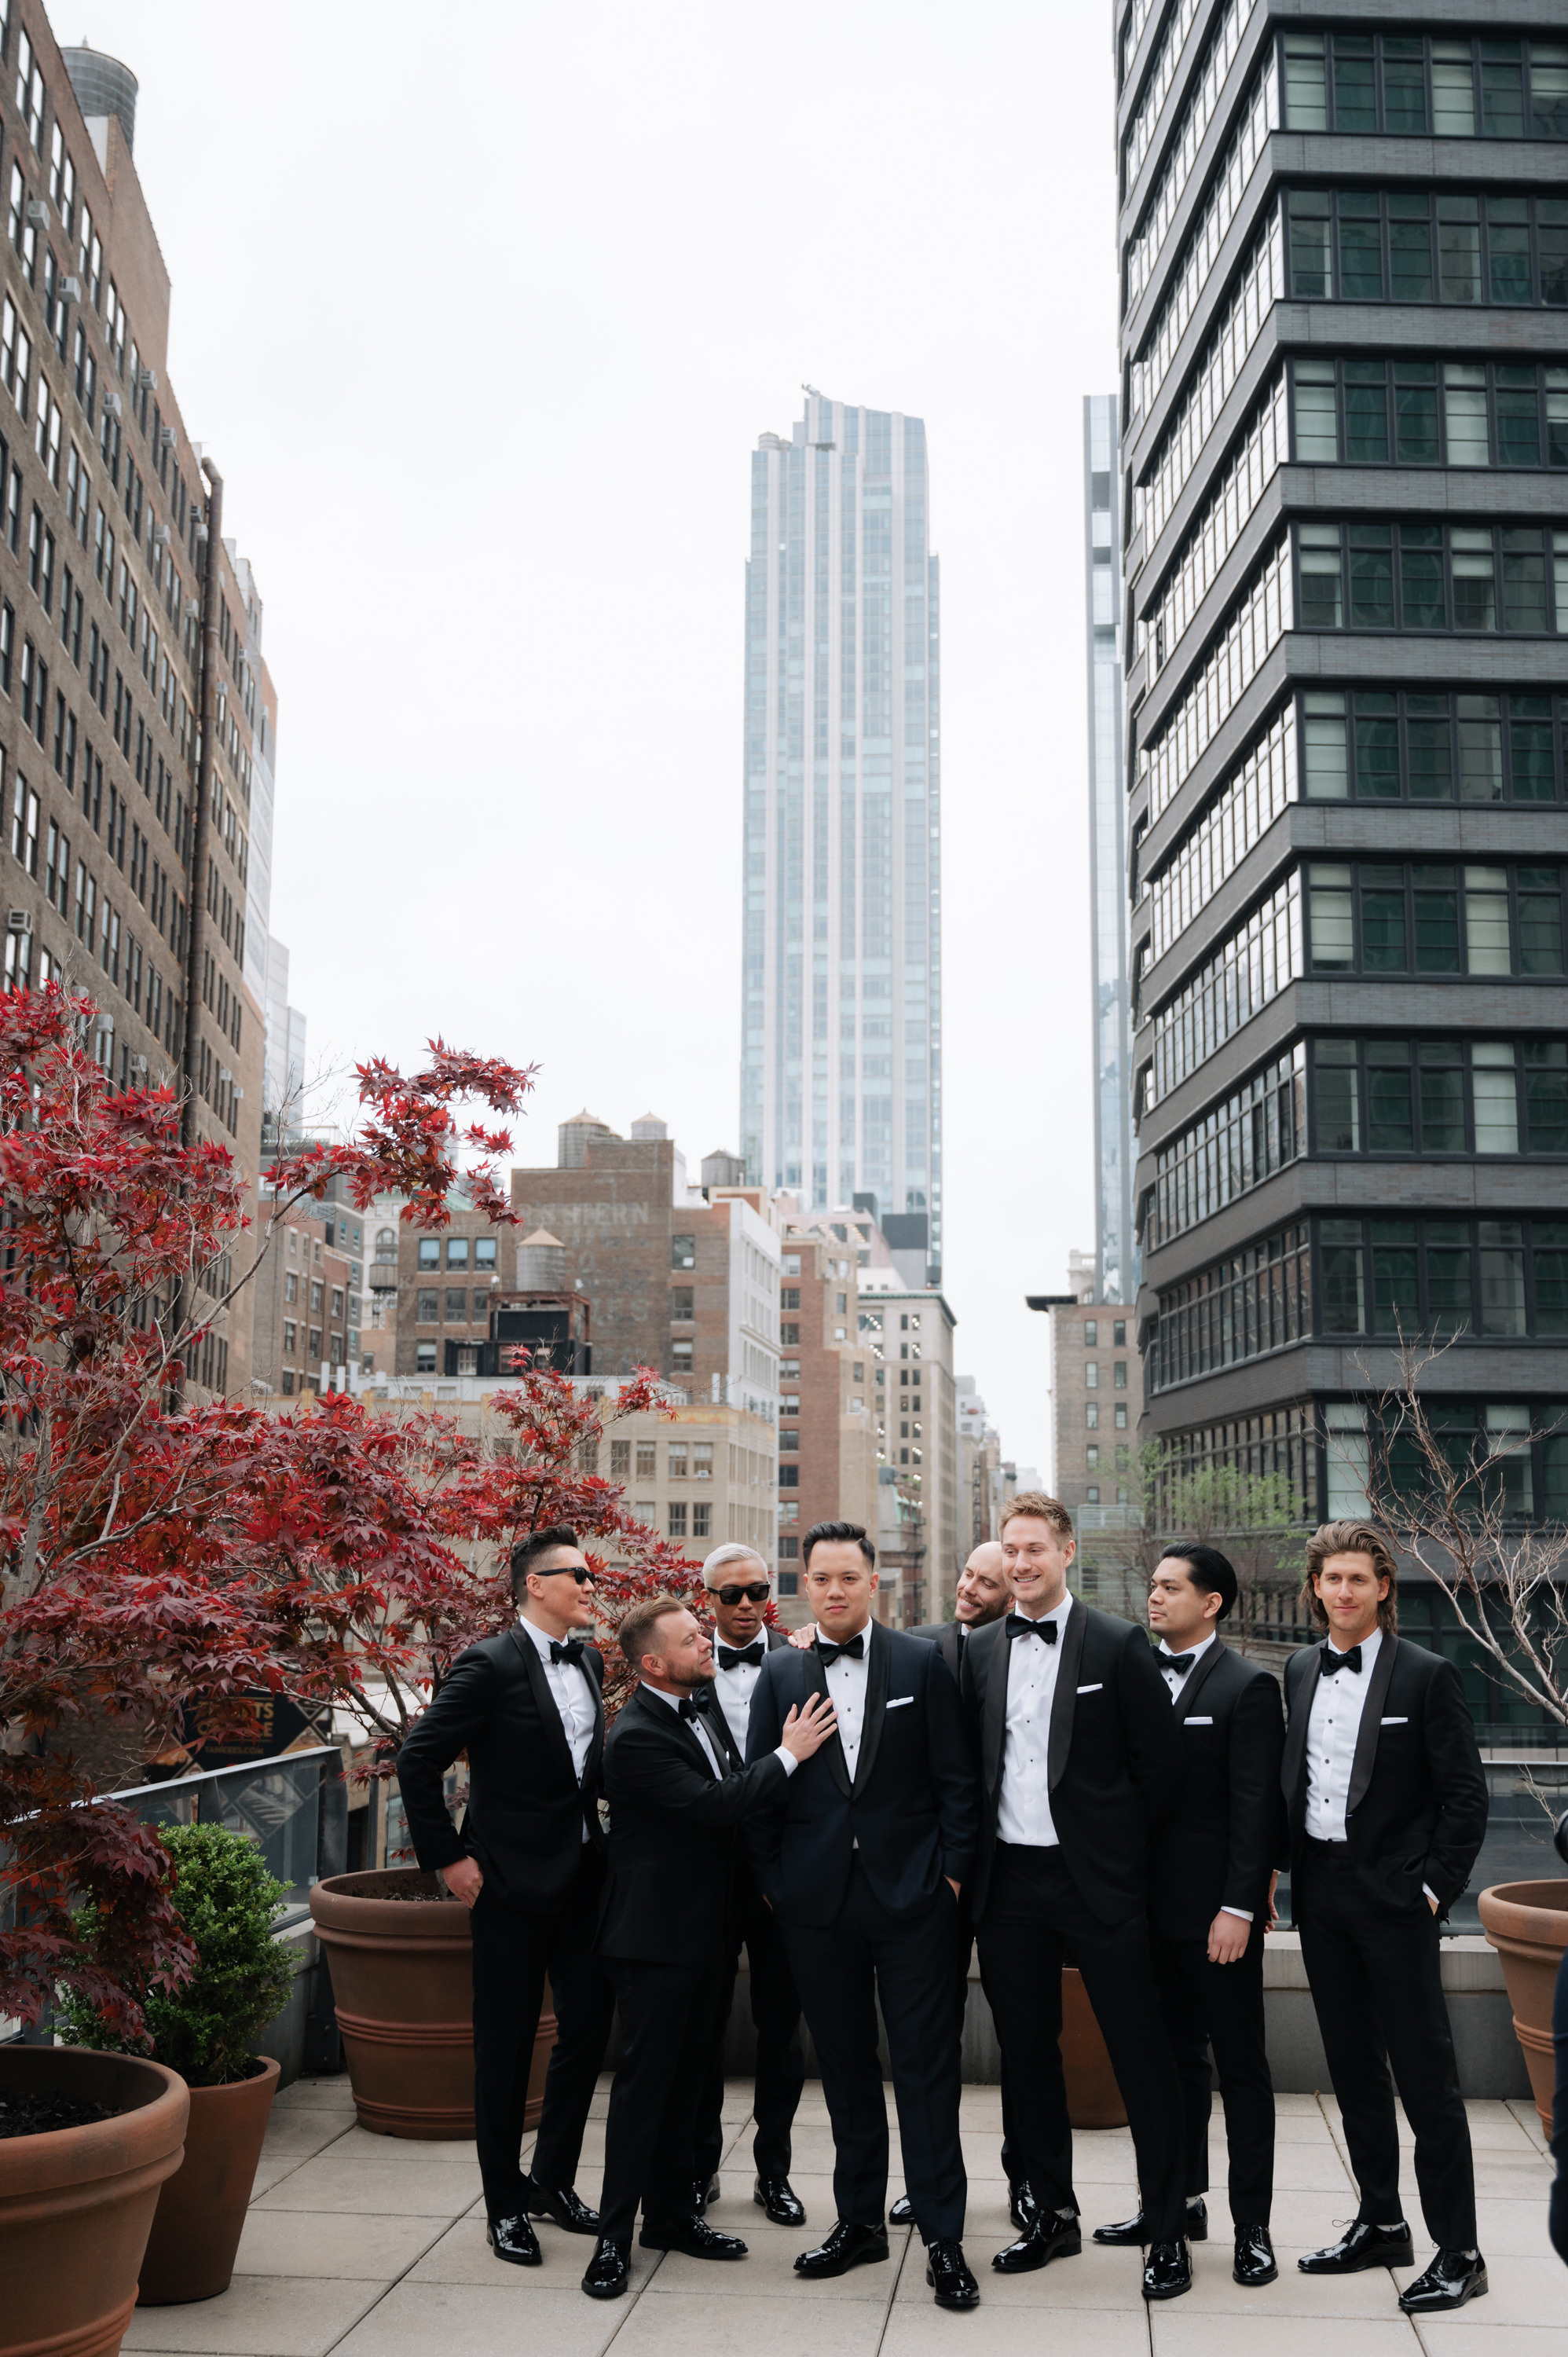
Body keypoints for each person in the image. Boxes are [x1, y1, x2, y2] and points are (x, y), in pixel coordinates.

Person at [745, 1520, 981, 2311]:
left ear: (872, 1582)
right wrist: (776, 1882)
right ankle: (859, 2224)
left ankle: (943, 2240)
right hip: (814, 1905)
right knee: (844, 2070)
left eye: (849, 1577)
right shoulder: (779, 1675)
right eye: (821, 1579)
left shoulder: (923, 1661)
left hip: (913, 1901)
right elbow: (760, 1789)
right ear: (804, 1584)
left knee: (925, 2071)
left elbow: (957, 1781)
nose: (835, 1590)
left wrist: (948, 1879)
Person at [960, 1493, 1191, 2301]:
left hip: (1098, 1884)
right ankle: (1049, 2216)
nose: (1019, 1564)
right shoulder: (979, 1649)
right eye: (1008, 1551)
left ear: (1066, 1554)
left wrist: (1119, 1857)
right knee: (1026, 2060)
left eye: (1033, 1549)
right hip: (1009, 1885)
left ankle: (1166, 2230)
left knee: (1141, 2055)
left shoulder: (1123, 1644)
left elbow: (1161, 1769)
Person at [581, 1597, 839, 2300]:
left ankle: (670, 2219)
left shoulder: (699, 1709)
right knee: (643, 2092)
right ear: (653, 1665)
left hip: (705, 1934)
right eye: (693, 1638)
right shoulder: (633, 1737)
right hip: (654, 1940)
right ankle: (612, 2239)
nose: (707, 1642)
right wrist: (792, 1753)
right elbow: (714, 1805)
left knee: (692, 2084)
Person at [1284, 1519, 1489, 2315]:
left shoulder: (1427, 1676)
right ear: (1315, 1589)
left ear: (1380, 1589)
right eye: (1330, 1580)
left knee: (1425, 2080)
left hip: (1398, 1903)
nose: (1342, 1592)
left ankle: (1460, 2251)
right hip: (1322, 1896)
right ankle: (1379, 2222)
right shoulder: (1299, 1670)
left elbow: (1464, 1798)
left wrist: (1434, 1890)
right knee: (1353, 2072)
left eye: (1357, 1580)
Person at [395, 1526, 614, 2266]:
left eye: (591, 1574)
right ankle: (503, 2205)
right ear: (534, 1586)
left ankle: (551, 2180)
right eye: (575, 1575)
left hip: (585, 1878)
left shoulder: (589, 1659)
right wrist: (448, 1859)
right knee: (506, 2045)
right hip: (508, 1888)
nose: (589, 1585)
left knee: (588, 2030)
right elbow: (417, 1761)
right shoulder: (486, 1664)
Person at [1093, 1542, 1283, 2289]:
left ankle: (1254, 2229)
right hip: (1139, 1914)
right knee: (1168, 2068)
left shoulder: (1249, 1687)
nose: (1154, 1597)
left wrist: (1239, 1905)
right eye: (1153, 1586)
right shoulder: (1129, 1672)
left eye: (1171, 1588)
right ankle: (1173, 2206)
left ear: (1212, 1603)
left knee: (1242, 2071)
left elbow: (1255, 1810)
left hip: (1216, 1920)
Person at [898, 1540, 1025, 2232]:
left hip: (1012, 1877)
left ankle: (1026, 2181)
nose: (969, 1587)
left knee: (1024, 2037)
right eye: (968, 1574)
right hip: (936, 1879)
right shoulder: (918, 1648)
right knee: (929, 2037)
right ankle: (929, 2180)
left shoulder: (1045, 1651)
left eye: (987, 1581)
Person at [689, 1544, 808, 2227]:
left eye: (755, 1591)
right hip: (706, 1871)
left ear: (770, 1593)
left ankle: (775, 2172)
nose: (742, 1605)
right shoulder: (681, 1663)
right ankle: (700, 2167)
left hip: (781, 1871)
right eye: (728, 1594)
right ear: (707, 1598)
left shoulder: (800, 1658)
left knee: (780, 2027)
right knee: (701, 2026)